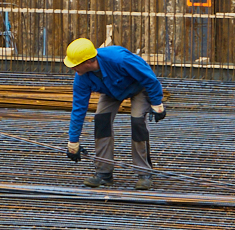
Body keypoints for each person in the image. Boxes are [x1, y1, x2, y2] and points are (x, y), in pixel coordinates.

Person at [63, 38, 164, 189]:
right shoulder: (82, 77)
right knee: (101, 121)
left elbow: (149, 78)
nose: (72, 68)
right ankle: (104, 173)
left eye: (75, 65)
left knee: (138, 123)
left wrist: (157, 103)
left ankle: (144, 174)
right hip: (111, 91)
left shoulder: (120, 59)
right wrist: (73, 142)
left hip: (139, 87)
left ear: (88, 62)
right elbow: (78, 109)